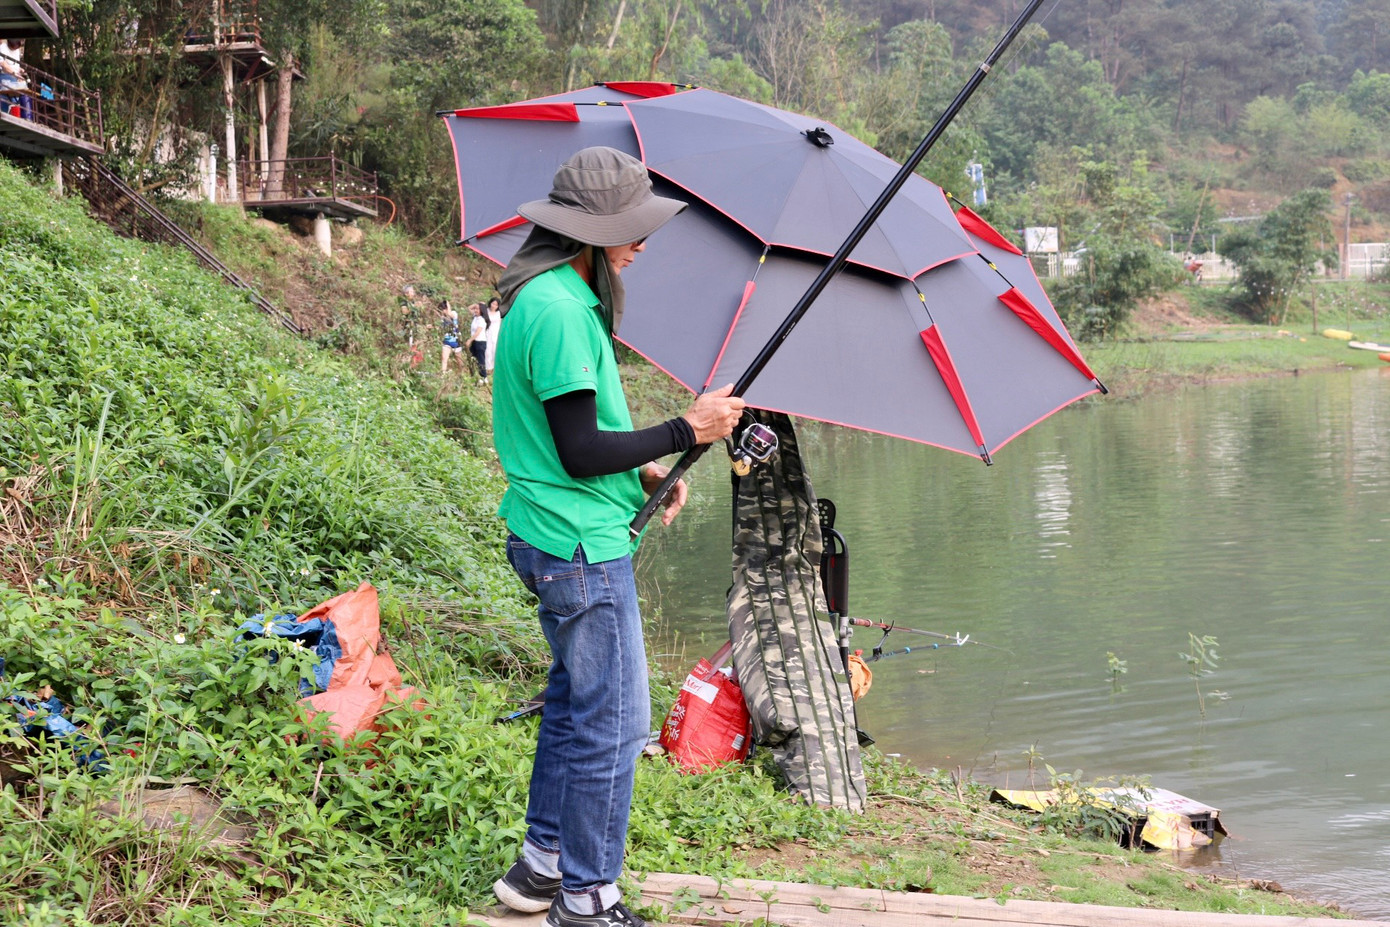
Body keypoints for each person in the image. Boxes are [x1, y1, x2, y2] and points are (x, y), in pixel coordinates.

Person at [489, 146, 745, 927]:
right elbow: (576, 449)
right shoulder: (564, 309)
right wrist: (686, 426)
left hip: (551, 527)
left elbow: (572, 430)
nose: (642, 242)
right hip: (577, 549)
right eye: (630, 228)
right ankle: (588, 899)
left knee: (572, 704)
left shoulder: (547, 293)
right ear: (588, 232)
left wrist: (642, 470)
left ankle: (540, 868)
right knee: (619, 723)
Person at [0, 39, 31, 120]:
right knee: (6, 98)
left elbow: (15, 64)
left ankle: (24, 117)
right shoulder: (2, 47)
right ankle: (5, 116)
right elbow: (3, 64)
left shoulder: (17, 51)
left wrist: (19, 70)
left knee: (18, 98)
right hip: (4, 76)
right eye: (14, 47)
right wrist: (14, 73)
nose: (16, 48)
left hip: (15, 78)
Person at [466, 299, 489, 382]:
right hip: (474, 342)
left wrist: (469, 340)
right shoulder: (475, 317)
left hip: (480, 342)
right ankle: (477, 376)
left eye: (477, 309)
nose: (475, 310)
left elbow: (477, 333)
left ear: (482, 310)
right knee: (474, 359)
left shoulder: (482, 320)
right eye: (475, 309)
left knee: (481, 359)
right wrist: (477, 304)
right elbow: (469, 308)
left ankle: (484, 377)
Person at [439, 298, 463, 374]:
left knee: (459, 360)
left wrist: (447, 303)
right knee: (444, 358)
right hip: (447, 341)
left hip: (456, 341)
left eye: (443, 309)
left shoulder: (454, 313)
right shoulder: (442, 318)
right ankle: (443, 374)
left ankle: (461, 373)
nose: (443, 311)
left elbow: (450, 314)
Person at [484, 295, 502, 377]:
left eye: (496, 305)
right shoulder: (486, 311)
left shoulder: (499, 313)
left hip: (496, 333)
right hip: (487, 333)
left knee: (495, 350)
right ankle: (488, 368)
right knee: (487, 351)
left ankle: (497, 368)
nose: (493, 306)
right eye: (493, 303)